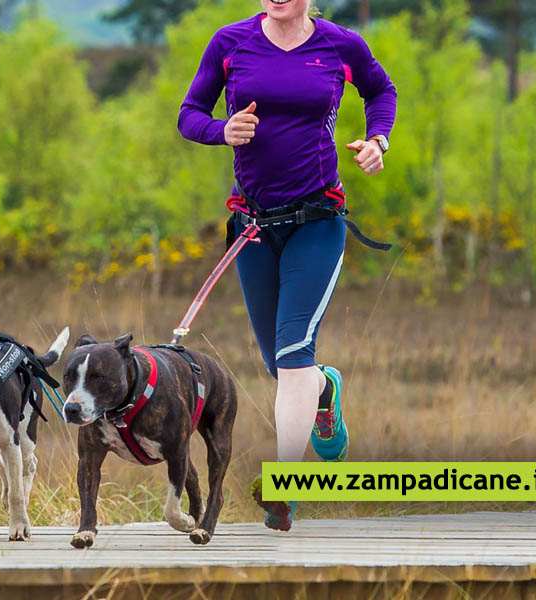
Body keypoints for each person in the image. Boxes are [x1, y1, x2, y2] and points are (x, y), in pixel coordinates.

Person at [177, 0, 397, 531]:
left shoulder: (340, 44)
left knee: (295, 350)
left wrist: (377, 139)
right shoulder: (230, 43)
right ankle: (325, 390)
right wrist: (220, 131)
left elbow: (380, 90)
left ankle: (286, 489)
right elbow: (189, 114)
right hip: (253, 227)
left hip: (317, 221)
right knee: (284, 368)